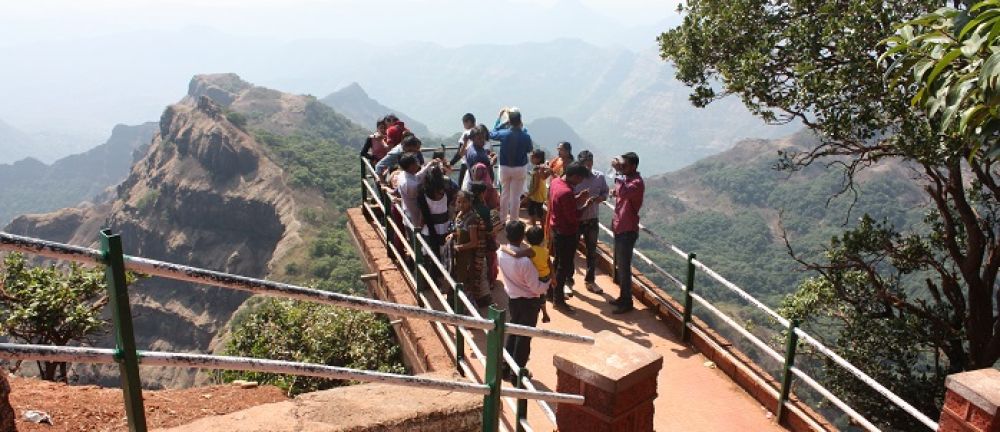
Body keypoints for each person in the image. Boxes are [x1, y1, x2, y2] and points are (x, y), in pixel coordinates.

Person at [496, 220, 549, 382]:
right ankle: (517, 374)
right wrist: (548, 283)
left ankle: (505, 368)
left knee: (514, 331)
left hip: (513, 298)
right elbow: (536, 288)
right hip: (529, 302)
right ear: (522, 237)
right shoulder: (526, 262)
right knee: (524, 338)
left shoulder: (501, 253)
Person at [547, 162, 593, 313]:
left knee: (557, 262)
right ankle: (558, 300)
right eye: (580, 179)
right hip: (566, 232)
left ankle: (550, 292)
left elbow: (562, 203)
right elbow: (574, 217)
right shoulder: (566, 192)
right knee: (563, 267)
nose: (580, 182)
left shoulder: (556, 182)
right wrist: (586, 205)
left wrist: (577, 198)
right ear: (574, 176)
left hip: (555, 227)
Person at [609, 152, 645, 314]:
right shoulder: (627, 180)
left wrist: (617, 172)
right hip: (619, 227)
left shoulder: (637, 183)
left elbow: (623, 192)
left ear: (633, 166)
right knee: (620, 266)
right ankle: (623, 297)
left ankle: (627, 301)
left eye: (624, 165)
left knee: (624, 267)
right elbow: (618, 192)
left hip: (627, 229)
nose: (622, 168)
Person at [570, 150, 609, 293]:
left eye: (590, 164)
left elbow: (605, 192)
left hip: (592, 219)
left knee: (592, 252)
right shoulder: (574, 178)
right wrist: (579, 199)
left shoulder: (599, 177)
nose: (588, 167)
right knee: (570, 251)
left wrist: (600, 198)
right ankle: (568, 281)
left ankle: (590, 281)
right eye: (585, 165)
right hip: (576, 220)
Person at [501, 225, 552, 323]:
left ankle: (544, 313)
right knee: (542, 297)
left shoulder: (530, 251)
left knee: (537, 296)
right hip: (545, 277)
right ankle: (545, 313)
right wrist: (552, 279)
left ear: (527, 240)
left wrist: (503, 248)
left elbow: (516, 255)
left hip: (535, 281)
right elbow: (550, 263)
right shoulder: (545, 251)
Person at [490, 109, 533, 223]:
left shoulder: (504, 134)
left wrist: (501, 121)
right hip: (520, 168)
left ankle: (503, 220)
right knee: (515, 197)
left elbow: (492, 133)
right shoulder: (525, 136)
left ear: (510, 122)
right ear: (520, 121)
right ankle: (514, 221)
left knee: (504, 195)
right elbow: (529, 149)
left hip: (505, 168)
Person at [449, 191, 489, 307]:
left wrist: (460, 247)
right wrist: (453, 235)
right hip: (459, 256)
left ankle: (468, 309)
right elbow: (457, 231)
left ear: (470, 203)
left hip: (466, 257)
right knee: (458, 278)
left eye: (464, 202)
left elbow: (474, 242)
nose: (461, 205)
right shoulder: (459, 215)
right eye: (459, 201)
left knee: (466, 282)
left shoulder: (471, 219)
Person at [461, 125, 494, 191]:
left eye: (483, 138)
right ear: (473, 139)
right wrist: (492, 162)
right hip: (482, 189)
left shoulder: (473, 148)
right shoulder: (476, 155)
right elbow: (478, 175)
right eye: (479, 138)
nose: (482, 140)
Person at [525, 149, 549, 226]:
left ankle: (539, 229)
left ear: (538, 159)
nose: (531, 158)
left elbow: (536, 186)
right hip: (537, 194)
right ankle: (536, 228)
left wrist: (529, 195)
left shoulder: (538, 170)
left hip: (536, 195)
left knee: (538, 213)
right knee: (536, 212)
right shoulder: (538, 168)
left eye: (533, 157)